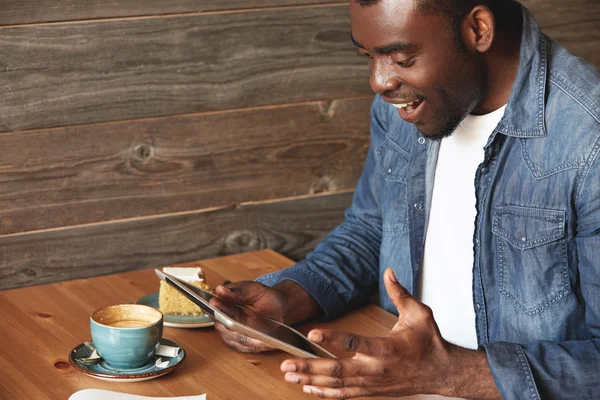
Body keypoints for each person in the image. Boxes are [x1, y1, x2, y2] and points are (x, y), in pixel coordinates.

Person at [210, 0, 600, 398]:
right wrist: (289, 300)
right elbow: (372, 228)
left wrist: (450, 374)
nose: (379, 82)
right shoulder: (409, 105)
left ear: (479, 30)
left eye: (401, 58)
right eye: (368, 56)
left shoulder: (589, 139)